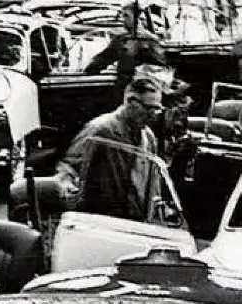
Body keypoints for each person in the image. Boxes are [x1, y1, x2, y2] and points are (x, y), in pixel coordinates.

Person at [57, 74, 166, 222]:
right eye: (148, 109)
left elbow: (153, 181)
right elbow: (68, 166)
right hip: (103, 219)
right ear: (130, 102)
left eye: (157, 109)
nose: (153, 115)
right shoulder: (101, 130)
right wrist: (67, 187)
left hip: (136, 221)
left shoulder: (149, 137)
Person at [84, 1, 167, 89]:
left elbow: (160, 68)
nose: (123, 20)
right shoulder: (150, 40)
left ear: (137, 18)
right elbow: (103, 59)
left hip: (137, 89)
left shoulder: (131, 40)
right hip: (135, 88)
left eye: (126, 16)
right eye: (123, 16)